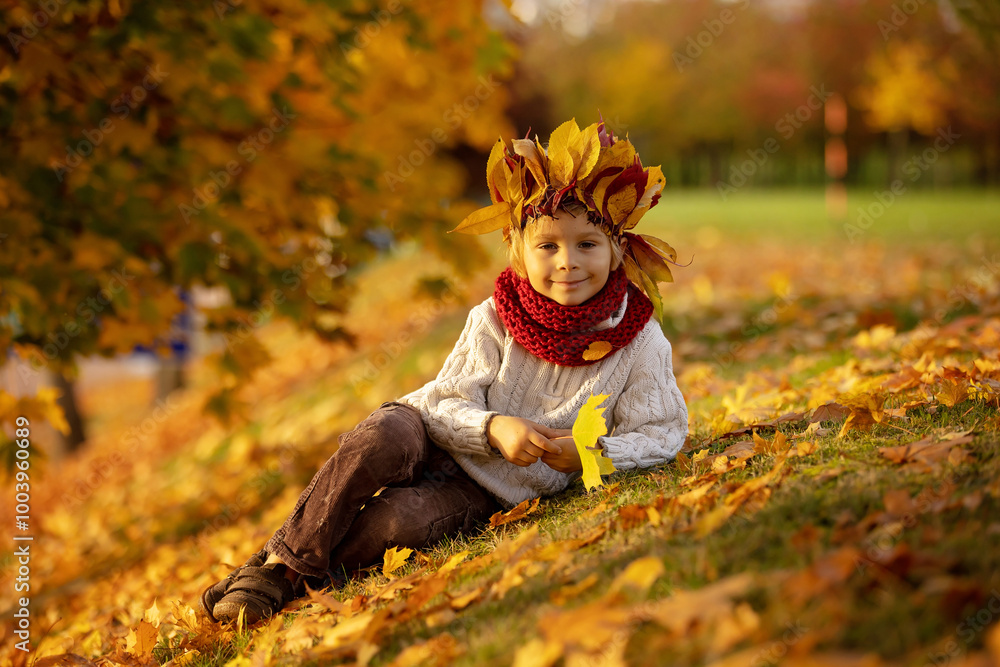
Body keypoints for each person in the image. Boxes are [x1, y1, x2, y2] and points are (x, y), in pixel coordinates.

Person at [201, 118, 689, 624]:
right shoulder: (496, 318)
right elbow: (441, 401)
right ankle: (274, 567)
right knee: (377, 438)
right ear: (519, 251)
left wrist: (589, 454)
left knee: (398, 522)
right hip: (433, 433)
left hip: (487, 488)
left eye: (587, 244)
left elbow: (663, 432)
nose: (567, 262)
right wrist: (492, 426)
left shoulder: (638, 341)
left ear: (617, 250)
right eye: (548, 246)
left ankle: (273, 579)